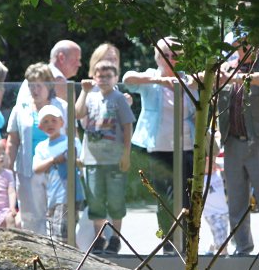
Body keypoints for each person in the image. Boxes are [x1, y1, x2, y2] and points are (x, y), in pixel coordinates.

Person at [123, 37, 195, 253]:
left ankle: (186, 244)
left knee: (186, 197)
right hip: (157, 148)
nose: (171, 60)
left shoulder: (188, 79)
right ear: (158, 57)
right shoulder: (150, 76)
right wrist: (159, 81)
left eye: (175, 55)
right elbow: (127, 79)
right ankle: (169, 243)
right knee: (163, 198)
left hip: (186, 146)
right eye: (166, 55)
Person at [218, 29, 259, 257]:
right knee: (235, 201)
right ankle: (242, 248)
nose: (245, 47)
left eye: (249, 43)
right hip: (232, 143)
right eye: (241, 43)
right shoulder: (227, 66)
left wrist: (239, 77)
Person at [75, 60, 134, 253]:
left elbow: (127, 126)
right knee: (95, 200)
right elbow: (77, 113)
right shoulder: (91, 97)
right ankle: (98, 237)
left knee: (116, 200)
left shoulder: (118, 99)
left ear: (115, 78)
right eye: (100, 76)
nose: (104, 80)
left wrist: (126, 153)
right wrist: (84, 91)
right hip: (93, 160)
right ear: (94, 77)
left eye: (108, 76)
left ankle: (116, 237)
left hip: (114, 159)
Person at [7, 62, 66, 236]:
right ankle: (36, 257)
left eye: (38, 85)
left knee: (57, 219)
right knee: (30, 219)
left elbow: (72, 136)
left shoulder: (61, 106)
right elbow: (13, 140)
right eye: (31, 85)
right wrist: (7, 170)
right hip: (27, 173)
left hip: (57, 172)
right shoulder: (20, 109)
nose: (35, 90)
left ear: (48, 85)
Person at [33, 105, 84, 241]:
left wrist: (71, 159)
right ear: (40, 127)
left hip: (69, 193)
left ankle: (65, 261)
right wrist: (55, 160)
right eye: (45, 121)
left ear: (62, 122)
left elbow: (81, 162)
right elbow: (36, 168)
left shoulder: (72, 141)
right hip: (52, 195)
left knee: (62, 234)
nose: (50, 124)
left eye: (53, 120)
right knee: (56, 233)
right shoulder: (41, 147)